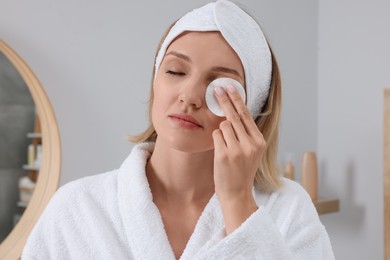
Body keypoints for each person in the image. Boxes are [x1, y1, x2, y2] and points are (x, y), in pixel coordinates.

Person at [22, 1, 335, 259]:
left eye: (219, 86)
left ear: (251, 108)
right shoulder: (78, 209)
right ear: (155, 80)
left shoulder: (288, 209)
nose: (189, 95)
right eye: (175, 71)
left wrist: (238, 201)